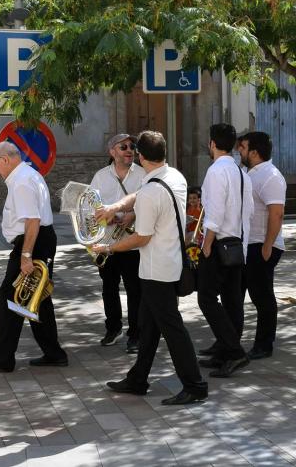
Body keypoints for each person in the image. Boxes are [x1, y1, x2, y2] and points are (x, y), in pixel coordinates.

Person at [93, 130, 208, 405]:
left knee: (172, 329)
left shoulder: (151, 191)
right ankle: (138, 379)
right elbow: (139, 195)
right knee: (148, 325)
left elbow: (140, 237)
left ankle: (194, 385)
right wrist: (115, 206)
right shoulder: (174, 177)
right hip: (169, 264)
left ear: (141, 157)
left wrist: (107, 248)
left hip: (156, 269)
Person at [0, 142, 68, 372]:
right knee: (37, 298)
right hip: (39, 240)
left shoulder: (22, 182)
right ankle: (53, 353)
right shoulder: (26, 175)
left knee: (11, 294)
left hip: (32, 243)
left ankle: (3, 358)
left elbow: (32, 221)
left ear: (5, 160)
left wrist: (26, 255)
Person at [196, 123, 253, 378]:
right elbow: (248, 211)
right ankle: (225, 351)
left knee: (206, 298)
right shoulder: (241, 172)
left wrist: (206, 244)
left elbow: (215, 213)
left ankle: (233, 351)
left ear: (212, 144)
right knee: (232, 301)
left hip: (219, 243)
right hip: (237, 242)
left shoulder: (216, 171)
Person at [89, 133, 145, 352]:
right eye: (123, 147)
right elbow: (91, 206)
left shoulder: (142, 174)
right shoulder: (100, 176)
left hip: (133, 241)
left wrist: (133, 215)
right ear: (112, 151)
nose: (129, 150)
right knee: (109, 287)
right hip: (107, 241)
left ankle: (136, 334)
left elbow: (149, 201)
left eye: (132, 146)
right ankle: (113, 328)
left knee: (135, 289)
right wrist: (105, 216)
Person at [236, 131, 285, 359]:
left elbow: (276, 214)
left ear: (254, 152)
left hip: (261, 245)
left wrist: (268, 245)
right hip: (249, 244)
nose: (239, 151)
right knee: (237, 294)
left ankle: (264, 345)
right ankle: (229, 343)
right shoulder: (251, 173)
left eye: (243, 148)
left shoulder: (270, 175)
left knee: (262, 296)